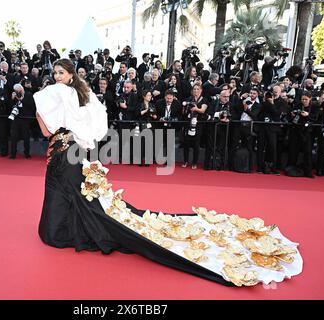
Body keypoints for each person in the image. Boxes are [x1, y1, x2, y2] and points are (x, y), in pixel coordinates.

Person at [33, 59, 231, 286]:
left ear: (70, 75)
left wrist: (45, 115)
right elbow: (79, 126)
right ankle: (67, 229)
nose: (57, 77)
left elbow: (49, 129)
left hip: (65, 152)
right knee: (71, 193)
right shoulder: (77, 95)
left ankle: (64, 231)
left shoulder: (71, 96)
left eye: (61, 73)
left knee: (71, 193)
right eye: (55, 73)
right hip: (68, 151)